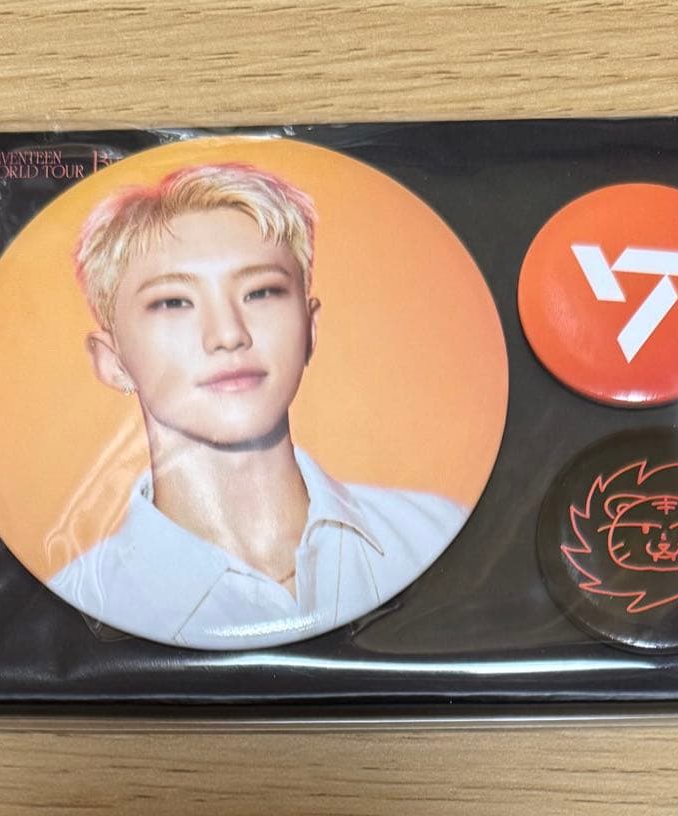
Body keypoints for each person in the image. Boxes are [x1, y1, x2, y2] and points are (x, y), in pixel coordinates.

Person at [48, 162, 468, 650]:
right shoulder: (77, 605)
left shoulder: (432, 530)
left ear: (310, 328)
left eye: (261, 292)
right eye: (173, 302)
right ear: (112, 361)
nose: (228, 334)